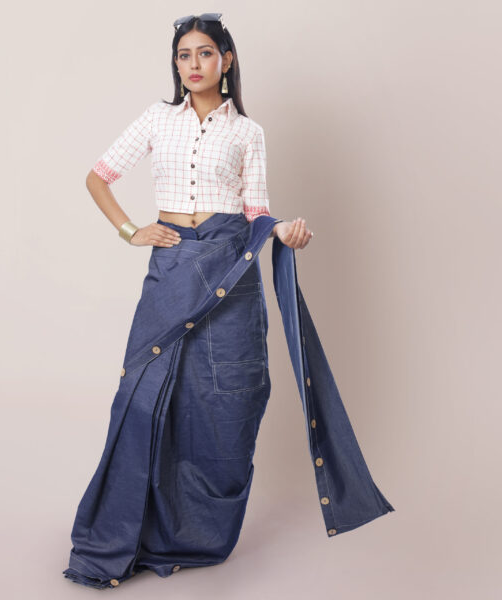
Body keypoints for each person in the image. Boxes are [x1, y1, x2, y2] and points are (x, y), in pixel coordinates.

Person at [63, 13, 394, 590]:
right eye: (184, 55)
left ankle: (197, 536)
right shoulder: (156, 119)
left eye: (205, 53)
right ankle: (125, 530)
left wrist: (283, 230)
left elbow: (254, 211)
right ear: (176, 64)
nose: (193, 65)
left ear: (226, 60)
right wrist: (130, 230)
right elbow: (98, 176)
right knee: (141, 394)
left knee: (224, 400)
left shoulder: (248, 132)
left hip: (230, 269)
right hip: (171, 267)